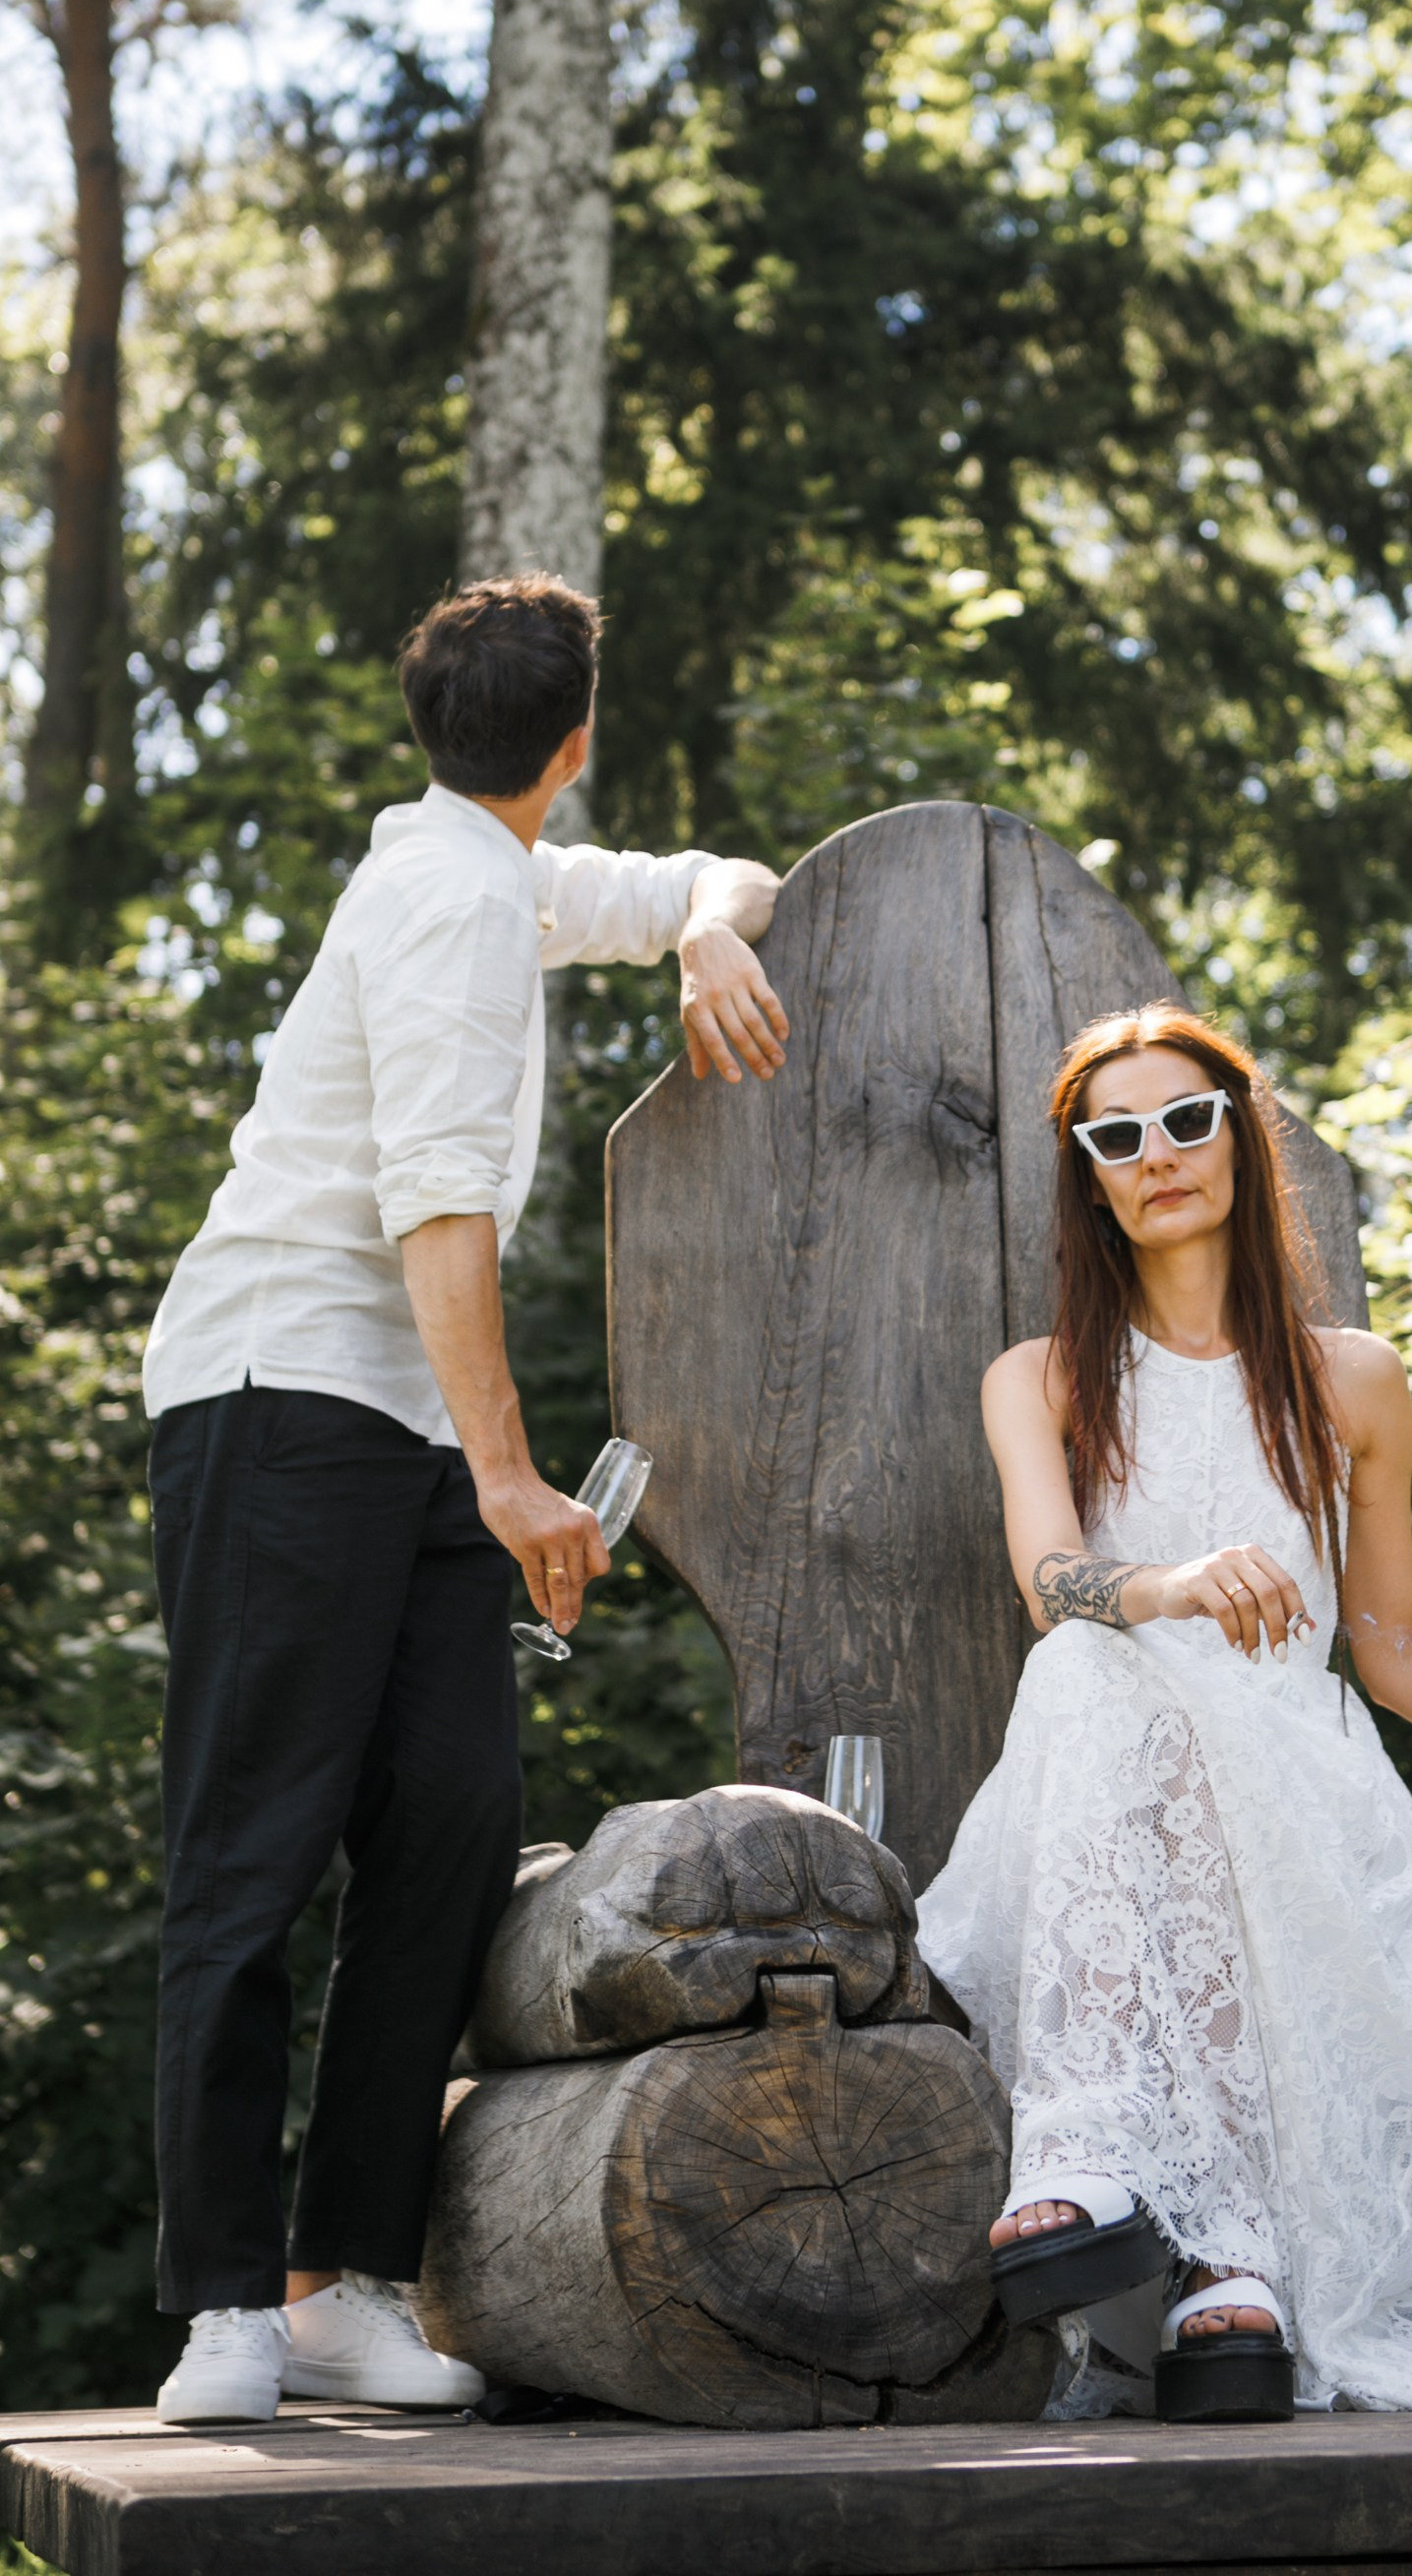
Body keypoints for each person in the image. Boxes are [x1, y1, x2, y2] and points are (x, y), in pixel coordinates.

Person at [143, 576, 789, 2423]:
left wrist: (701, 938)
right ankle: (220, 2312)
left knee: (448, 1817)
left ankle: (339, 2275)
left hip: (412, 1426)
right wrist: (512, 1478)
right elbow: (435, 1213)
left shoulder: (511, 871)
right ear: (571, 740)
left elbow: (718, 875)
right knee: (252, 1848)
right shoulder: (439, 903)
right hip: (278, 1396)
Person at [915, 1002, 1412, 2423]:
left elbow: (1392, 1649)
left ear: (1238, 1138)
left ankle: (1235, 2244)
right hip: (1107, 1781)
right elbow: (1052, 1583)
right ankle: (1143, 2191)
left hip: (1301, 1790)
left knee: (1177, 1721)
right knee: (1097, 1664)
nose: (1155, 1153)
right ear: (1087, 1175)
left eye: (1185, 1120)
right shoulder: (1036, 1381)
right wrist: (1167, 1584)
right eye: (1117, 1135)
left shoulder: (1352, 1380)